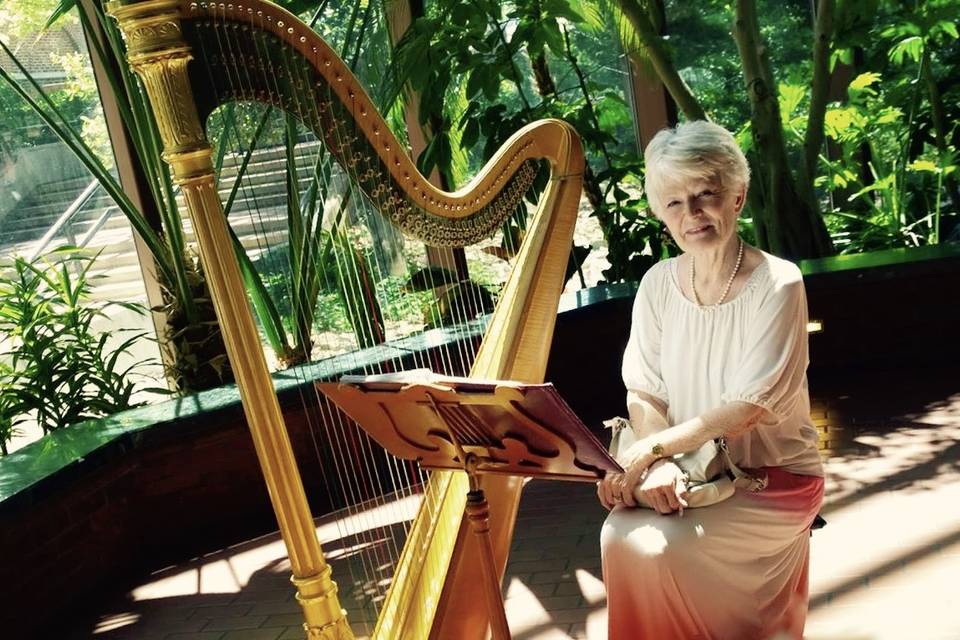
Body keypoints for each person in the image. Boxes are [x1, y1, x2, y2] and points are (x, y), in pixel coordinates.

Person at [598, 120, 824, 640]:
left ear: (738, 197)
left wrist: (651, 452)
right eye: (675, 203)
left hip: (773, 476)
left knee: (657, 546)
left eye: (706, 195)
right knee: (619, 536)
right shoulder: (657, 284)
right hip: (686, 469)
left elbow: (748, 408)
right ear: (661, 214)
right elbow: (645, 389)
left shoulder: (778, 282)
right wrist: (660, 464)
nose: (692, 214)